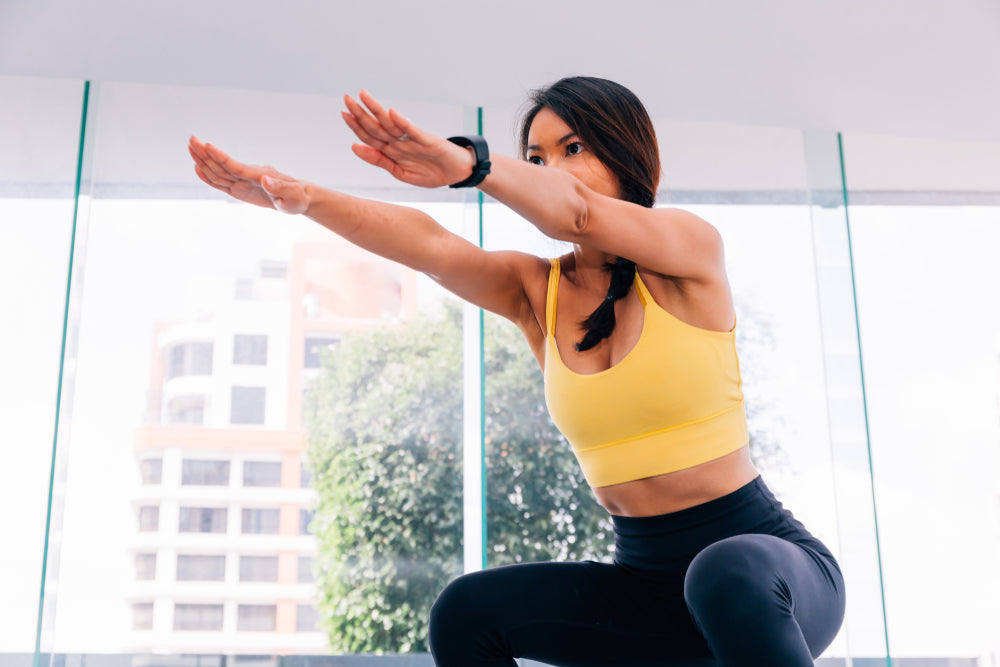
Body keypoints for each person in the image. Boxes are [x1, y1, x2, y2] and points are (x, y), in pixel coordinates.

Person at [189, 76, 845, 667]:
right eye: (536, 158)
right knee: (467, 612)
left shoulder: (688, 252)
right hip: (646, 590)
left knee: (722, 572)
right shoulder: (540, 292)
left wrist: (469, 162)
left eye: (573, 147)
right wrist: (304, 200)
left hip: (766, 574)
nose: (552, 169)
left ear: (628, 155)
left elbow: (578, 212)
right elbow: (433, 248)